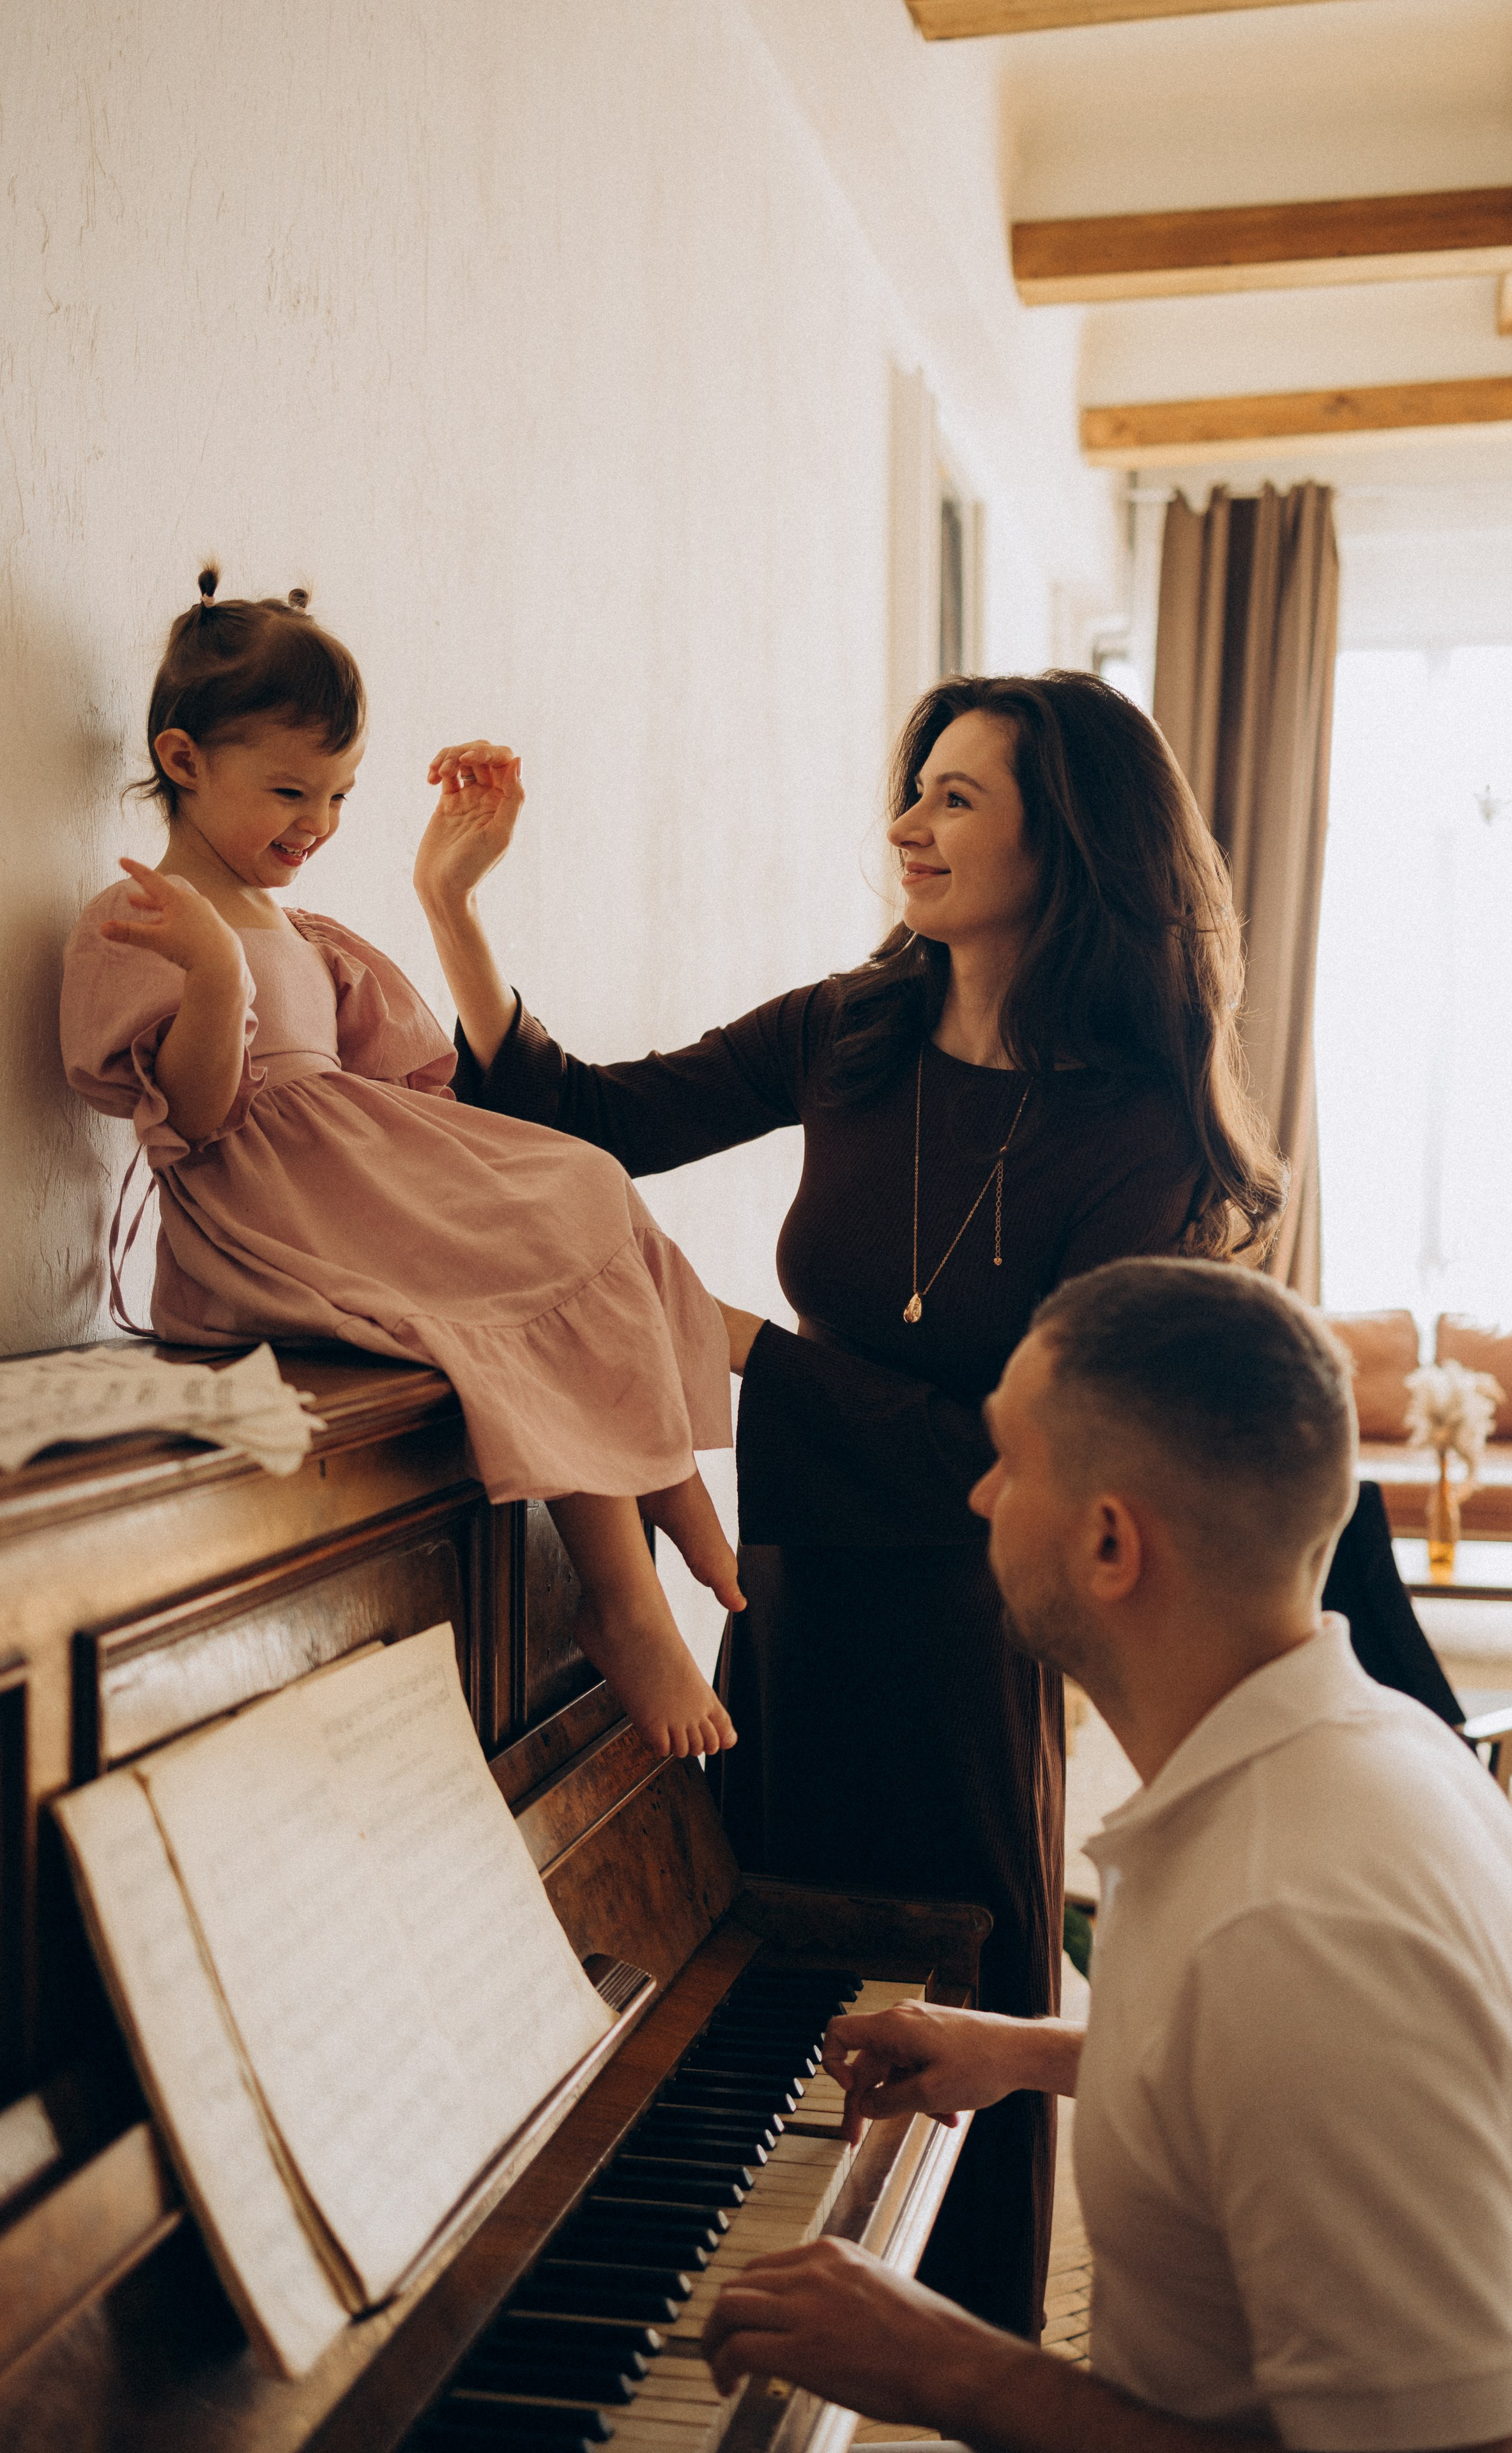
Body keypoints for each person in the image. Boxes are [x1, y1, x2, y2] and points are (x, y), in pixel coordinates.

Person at [416, 674, 1284, 2334]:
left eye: (956, 797)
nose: (907, 825)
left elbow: (1042, 1461)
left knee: (951, 2036)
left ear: (1069, 841)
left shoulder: (1145, 1130)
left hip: (967, 1634)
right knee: (764, 2033)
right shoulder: (853, 1030)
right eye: (913, 787)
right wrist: (455, 910)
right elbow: (586, 1125)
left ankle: (964, 2369)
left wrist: (751, 1353)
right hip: (786, 1604)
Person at [704, 1258, 1512, 2453]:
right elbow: (1266, 2068)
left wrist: (951, 2368)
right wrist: (1029, 2051)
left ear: (1110, 1543)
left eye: (1009, 1460)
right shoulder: (1375, 1741)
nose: (979, 1495)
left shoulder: (1298, 1930)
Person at [59, 571, 744, 1762]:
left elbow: (412, 1087)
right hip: (275, 1219)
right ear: (182, 759)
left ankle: (663, 1474)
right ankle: (625, 1600)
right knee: (541, 1229)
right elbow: (201, 1119)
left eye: (338, 795)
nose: (317, 823)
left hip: (351, 1184)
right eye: (289, 791)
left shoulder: (303, 931)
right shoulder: (151, 921)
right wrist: (214, 975)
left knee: (579, 1180)